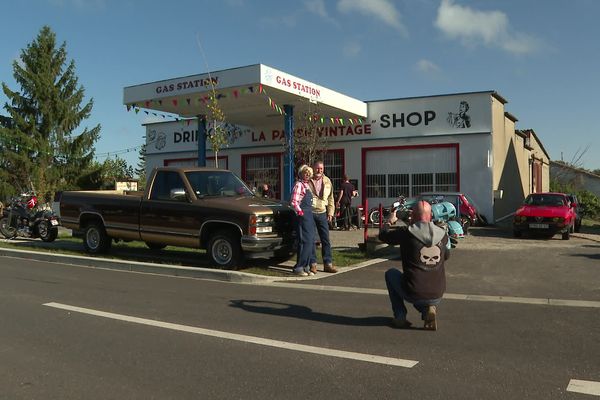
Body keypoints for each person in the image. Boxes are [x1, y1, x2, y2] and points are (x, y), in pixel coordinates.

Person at [379, 200, 449, 331]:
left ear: (413, 216)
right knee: (421, 290)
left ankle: (400, 316)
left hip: (414, 290)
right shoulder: (442, 234)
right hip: (438, 292)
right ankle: (427, 310)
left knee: (391, 274)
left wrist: (389, 221)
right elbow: (446, 256)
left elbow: (383, 236)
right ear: (431, 216)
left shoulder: (407, 233)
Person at [308, 160, 336, 274]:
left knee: (326, 239)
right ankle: (313, 264)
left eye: (321, 169)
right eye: (317, 168)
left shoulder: (327, 181)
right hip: (310, 212)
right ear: (313, 168)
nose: (319, 170)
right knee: (312, 240)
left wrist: (330, 212)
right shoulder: (307, 180)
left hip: (322, 213)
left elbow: (331, 198)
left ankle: (328, 264)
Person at [290, 165, 315, 277]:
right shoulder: (298, 185)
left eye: (309, 173)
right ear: (301, 174)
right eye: (305, 173)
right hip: (303, 215)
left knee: (310, 241)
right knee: (305, 241)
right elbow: (294, 201)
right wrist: (300, 212)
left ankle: (306, 266)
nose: (307, 175)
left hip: (309, 214)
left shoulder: (307, 186)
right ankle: (299, 267)